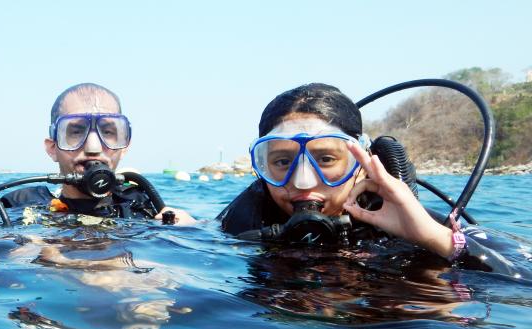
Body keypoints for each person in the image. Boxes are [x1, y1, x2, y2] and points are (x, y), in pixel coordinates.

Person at [218, 83, 528, 278]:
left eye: (326, 159)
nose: (302, 181)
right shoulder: (238, 227)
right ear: (262, 166)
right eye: (282, 161)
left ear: (362, 162)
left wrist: (436, 240)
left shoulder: (424, 228)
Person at [0, 83, 196, 225]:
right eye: (76, 131)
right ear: (52, 148)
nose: (93, 147)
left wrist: (190, 229)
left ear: (124, 146)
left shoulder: (143, 207)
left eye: (109, 132)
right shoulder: (17, 205)